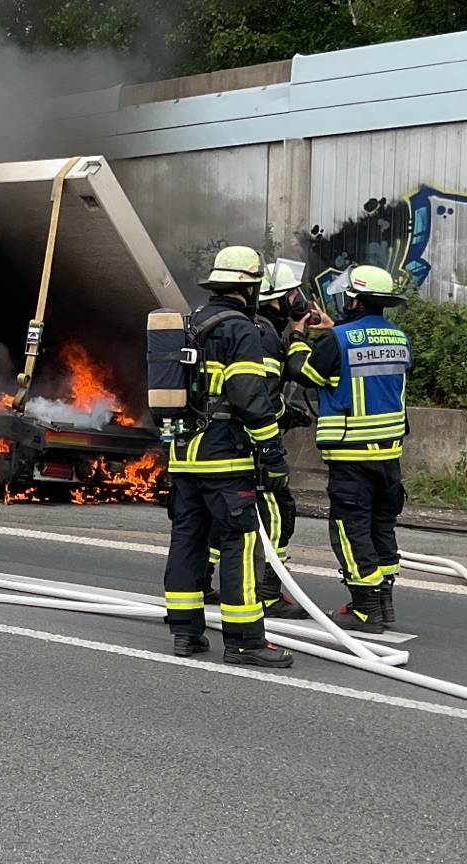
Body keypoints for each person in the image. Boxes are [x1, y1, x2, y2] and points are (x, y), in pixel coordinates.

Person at [162, 245, 294, 668]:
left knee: (188, 541)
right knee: (240, 543)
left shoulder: (190, 324)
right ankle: (244, 642)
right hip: (226, 460)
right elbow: (249, 397)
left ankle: (186, 633)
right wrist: (271, 451)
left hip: (183, 457)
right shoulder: (241, 330)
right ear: (250, 288)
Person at [287, 265, 411, 633]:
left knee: (350, 529)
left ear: (355, 301)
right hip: (389, 456)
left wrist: (298, 335)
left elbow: (304, 373)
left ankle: (365, 610)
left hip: (351, 455)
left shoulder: (338, 340)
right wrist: (332, 331)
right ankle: (384, 604)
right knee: (381, 527)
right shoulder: (399, 338)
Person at [248, 262, 313, 619]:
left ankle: (204, 582)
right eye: (292, 294)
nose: (298, 299)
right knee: (277, 512)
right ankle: (267, 593)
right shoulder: (265, 335)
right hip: (259, 443)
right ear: (275, 299)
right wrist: (286, 417)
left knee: (225, 515)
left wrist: (299, 334)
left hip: (233, 441)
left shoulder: (257, 327)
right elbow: (265, 398)